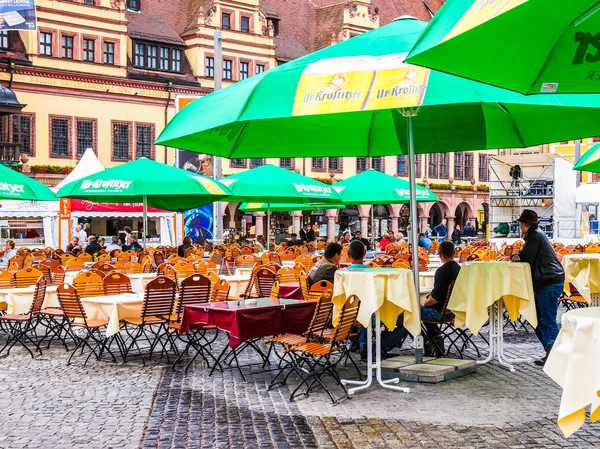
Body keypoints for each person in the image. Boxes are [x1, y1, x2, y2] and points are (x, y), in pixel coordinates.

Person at [380, 241, 461, 358]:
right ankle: (433, 339)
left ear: (439, 254)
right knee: (417, 312)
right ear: (454, 253)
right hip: (452, 310)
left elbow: (436, 297)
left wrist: (426, 302)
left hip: (439, 313)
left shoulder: (442, 271)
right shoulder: (458, 269)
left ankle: (386, 344)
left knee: (409, 314)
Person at [511, 210, 565, 367]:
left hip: (548, 281)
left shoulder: (534, 236)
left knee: (547, 320)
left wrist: (517, 256)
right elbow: (525, 254)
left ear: (523, 225)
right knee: (537, 318)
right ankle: (551, 351)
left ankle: (556, 356)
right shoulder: (536, 234)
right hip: (549, 280)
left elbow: (526, 257)